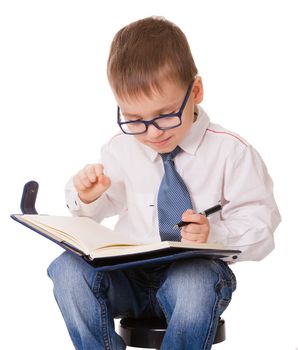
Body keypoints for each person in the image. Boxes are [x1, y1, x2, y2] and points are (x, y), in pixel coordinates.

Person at [47, 16, 281, 350]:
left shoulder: (232, 152)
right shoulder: (121, 148)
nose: (153, 132)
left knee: (193, 280)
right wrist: (87, 198)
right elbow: (93, 219)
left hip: (192, 279)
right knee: (66, 269)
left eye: (165, 114)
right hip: (129, 277)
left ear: (195, 92)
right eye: (135, 120)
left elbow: (262, 227)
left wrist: (213, 235)